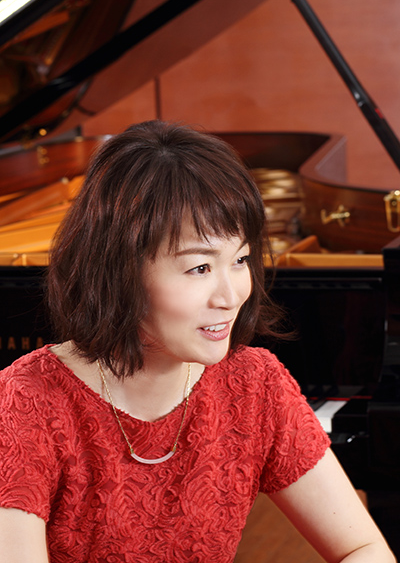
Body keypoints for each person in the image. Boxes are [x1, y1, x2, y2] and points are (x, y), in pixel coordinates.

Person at [0, 120, 395, 563]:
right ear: (120, 271)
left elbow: (363, 547)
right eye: (200, 268)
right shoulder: (26, 402)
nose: (231, 296)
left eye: (240, 259)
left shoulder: (253, 385)